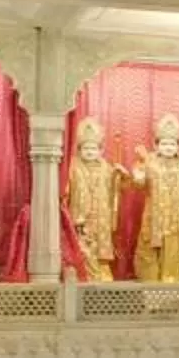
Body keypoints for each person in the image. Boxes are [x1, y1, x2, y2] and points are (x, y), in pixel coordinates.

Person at [128, 114, 179, 282]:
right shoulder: (149, 162)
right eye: (164, 143)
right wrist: (138, 174)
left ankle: (171, 290)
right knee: (149, 251)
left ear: (178, 145)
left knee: (173, 252)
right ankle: (150, 288)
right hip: (154, 218)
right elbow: (139, 184)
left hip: (175, 219)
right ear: (156, 145)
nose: (168, 147)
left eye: (172, 143)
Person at [65, 116, 124, 280]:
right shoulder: (73, 167)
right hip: (80, 216)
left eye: (93, 148)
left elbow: (117, 190)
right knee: (82, 247)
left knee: (99, 250)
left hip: (101, 217)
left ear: (101, 150)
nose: (90, 151)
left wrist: (119, 176)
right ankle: (82, 274)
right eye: (86, 148)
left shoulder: (107, 168)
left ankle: (100, 274)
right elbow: (66, 189)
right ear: (79, 149)